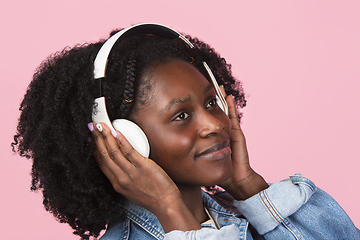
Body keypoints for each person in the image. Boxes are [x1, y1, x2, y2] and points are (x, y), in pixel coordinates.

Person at [12, 23, 359, 240]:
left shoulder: (254, 212)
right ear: (122, 141)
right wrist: (172, 213)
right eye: (180, 115)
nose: (213, 124)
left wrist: (250, 187)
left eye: (211, 104)